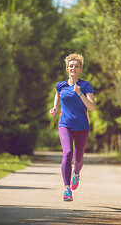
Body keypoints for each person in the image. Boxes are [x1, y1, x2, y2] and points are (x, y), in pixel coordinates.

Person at [50, 53, 95, 201]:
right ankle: (67, 189)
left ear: (81, 69)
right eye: (71, 66)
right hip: (65, 124)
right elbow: (58, 94)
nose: (73, 68)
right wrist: (55, 107)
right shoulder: (60, 85)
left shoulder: (85, 85)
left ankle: (76, 174)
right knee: (67, 152)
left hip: (82, 126)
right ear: (67, 68)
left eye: (76, 66)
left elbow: (92, 107)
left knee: (78, 159)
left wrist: (80, 93)